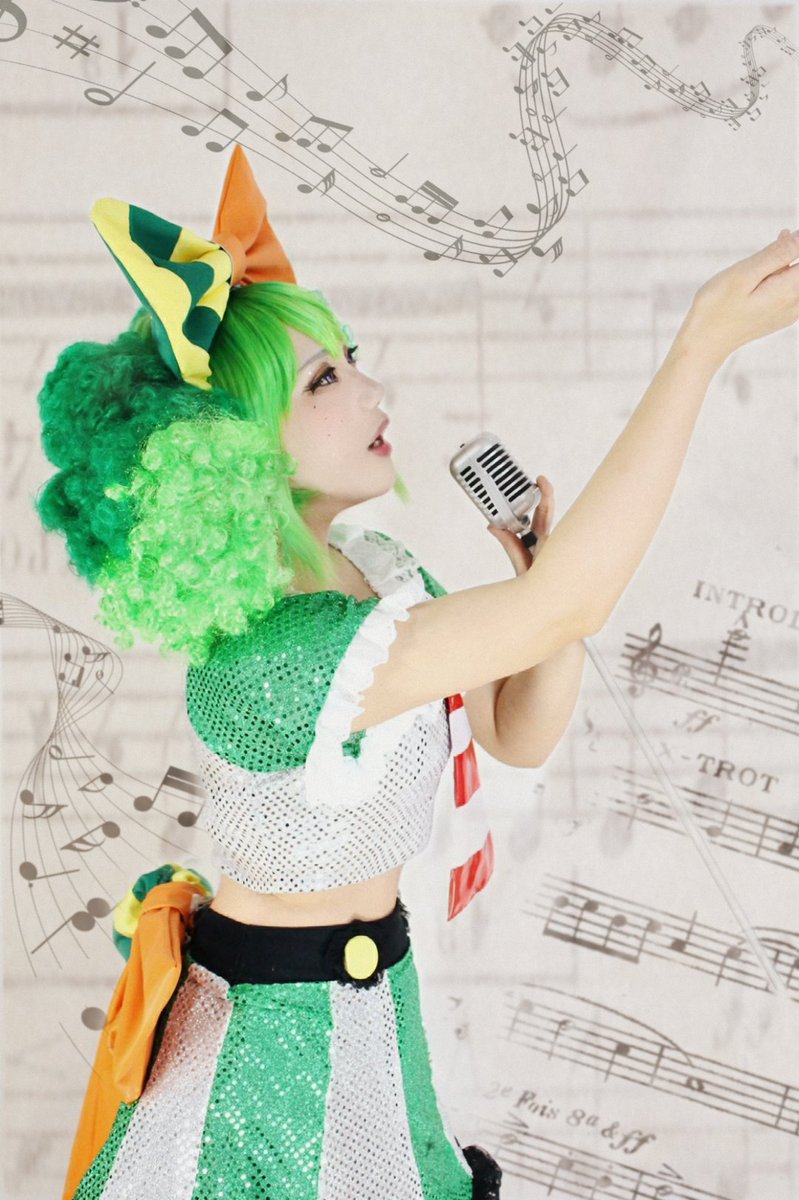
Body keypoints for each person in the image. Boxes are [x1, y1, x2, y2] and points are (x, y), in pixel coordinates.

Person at [34, 144, 799, 1199]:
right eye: (325, 379)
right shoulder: (277, 657)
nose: (373, 389)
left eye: (350, 358)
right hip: (264, 1057)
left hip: (366, 1005)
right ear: (235, 453)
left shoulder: (377, 577)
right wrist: (698, 347)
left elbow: (515, 729)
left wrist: (538, 594)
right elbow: (566, 605)